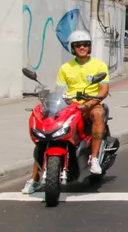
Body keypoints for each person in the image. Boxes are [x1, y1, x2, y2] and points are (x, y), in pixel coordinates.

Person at [21, 30, 111, 194]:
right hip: (70, 105)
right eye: (78, 45)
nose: (82, 47)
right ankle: (34, 177)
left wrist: (90, 103)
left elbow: (104, 90)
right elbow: (60, 90)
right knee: (46, 133)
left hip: (90, 103)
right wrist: (50, 103)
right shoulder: (65, 68)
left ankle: (94, 159)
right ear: (72, 48)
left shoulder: (99, 65)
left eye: (85, 44)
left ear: (89, 46)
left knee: (98, 114)